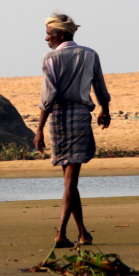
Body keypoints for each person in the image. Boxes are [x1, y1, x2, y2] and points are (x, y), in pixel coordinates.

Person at [34, 13, 111, 248]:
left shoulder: (50, 58)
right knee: (71, 181)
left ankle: (81, 233)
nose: (46, 38)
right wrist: (104, 110)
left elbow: (48, 98)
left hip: (57, 119)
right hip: (78, 117)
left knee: (70, 181)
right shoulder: (90, 54)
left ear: (61, 34)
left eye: (49, 34)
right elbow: (100, 87)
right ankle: (63, 234)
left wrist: (39, 129)